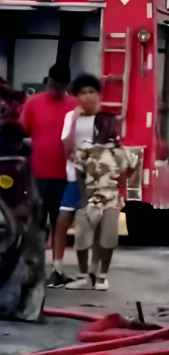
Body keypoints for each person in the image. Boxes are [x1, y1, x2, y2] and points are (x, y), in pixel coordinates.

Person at [65, 113, 132, 291]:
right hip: (91, 197)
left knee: (107, 239)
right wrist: (83, 195)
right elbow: (79, 172)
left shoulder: (118, 151)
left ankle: (101, 276)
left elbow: (125, 174)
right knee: (82, 239)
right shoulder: (86, 149)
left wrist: (119, 190)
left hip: (109, 198)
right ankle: (85, 275)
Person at [47, 73, 102, 287]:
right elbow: (68, 149)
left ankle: (93, 272)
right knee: (62, 221)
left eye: (91, 92)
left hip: (96, 180)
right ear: (76, 96)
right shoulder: (71, 117)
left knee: (94, 225)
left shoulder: (104, 118)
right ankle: (57, 269)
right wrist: (76, 122)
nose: (87, 97)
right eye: (82, 93)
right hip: (73, 178)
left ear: (98, 95)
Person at [19, 63, 76, 259]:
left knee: (60, 221)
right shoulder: (33, 102)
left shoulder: (76, 106)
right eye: (54, 84)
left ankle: (56, 266)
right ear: (49, 81)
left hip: (66, 174)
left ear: (68, 85)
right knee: (37, 219)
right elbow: (23, 130)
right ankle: (32, 261)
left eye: (61, 86)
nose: (57, 89)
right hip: (38, 173)